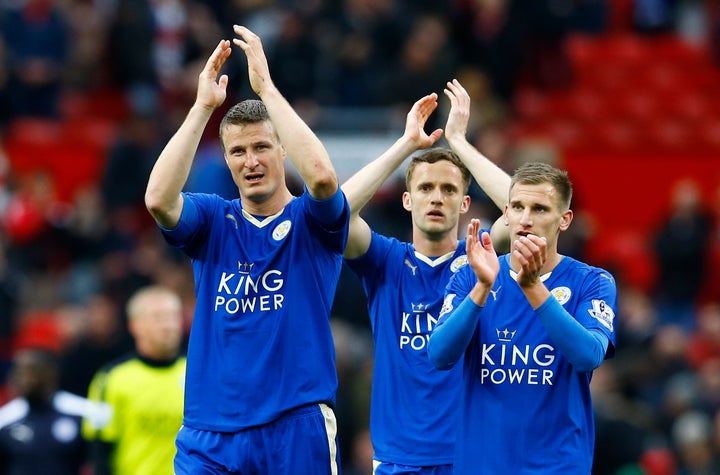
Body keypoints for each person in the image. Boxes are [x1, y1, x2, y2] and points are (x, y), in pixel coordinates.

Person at [144, 25, 348, 475]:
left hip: (294, 422)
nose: (251, 161)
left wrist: (267, 90)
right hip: (209, 432)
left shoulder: (312, 222)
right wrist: (201, 108)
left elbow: (323, 179)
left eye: (261, 147)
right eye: (238, 151)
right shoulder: (213, 219)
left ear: (282, 151)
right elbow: (158, 199)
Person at [341, 79, 510, 474]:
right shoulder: (385, 260)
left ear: (465, 203)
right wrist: (405, 146)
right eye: (426, 187)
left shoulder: (478, 259)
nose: (436, 197)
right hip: (399, 457)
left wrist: (461, 145)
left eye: (449, 189)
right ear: (407, 199)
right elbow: (335, 214)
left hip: (470, 457)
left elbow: (525, 214)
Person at [427, 161, 618, 474]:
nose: (526, 219)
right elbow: (439, 356)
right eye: (517, 207)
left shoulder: (592, 282)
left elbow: (588, 356)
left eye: (540, 209)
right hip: (482, 465)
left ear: (564, 219)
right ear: (506, 213)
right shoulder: (471, 276)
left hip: (556, 466)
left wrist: (532, 287)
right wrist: (482, 290)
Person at [83, 285, 186, 475]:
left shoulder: (197, 376)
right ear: (135, 325)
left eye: (173, 316)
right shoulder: (111, 378)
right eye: (158, 317)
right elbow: (99, 450)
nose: (168, 325)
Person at [0, 347, 109, 475]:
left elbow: (101, 462)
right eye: (20, 373)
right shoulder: (5, 419)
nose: (25, 379)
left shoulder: (85, 413)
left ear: (52, 373)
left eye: (32, 371)